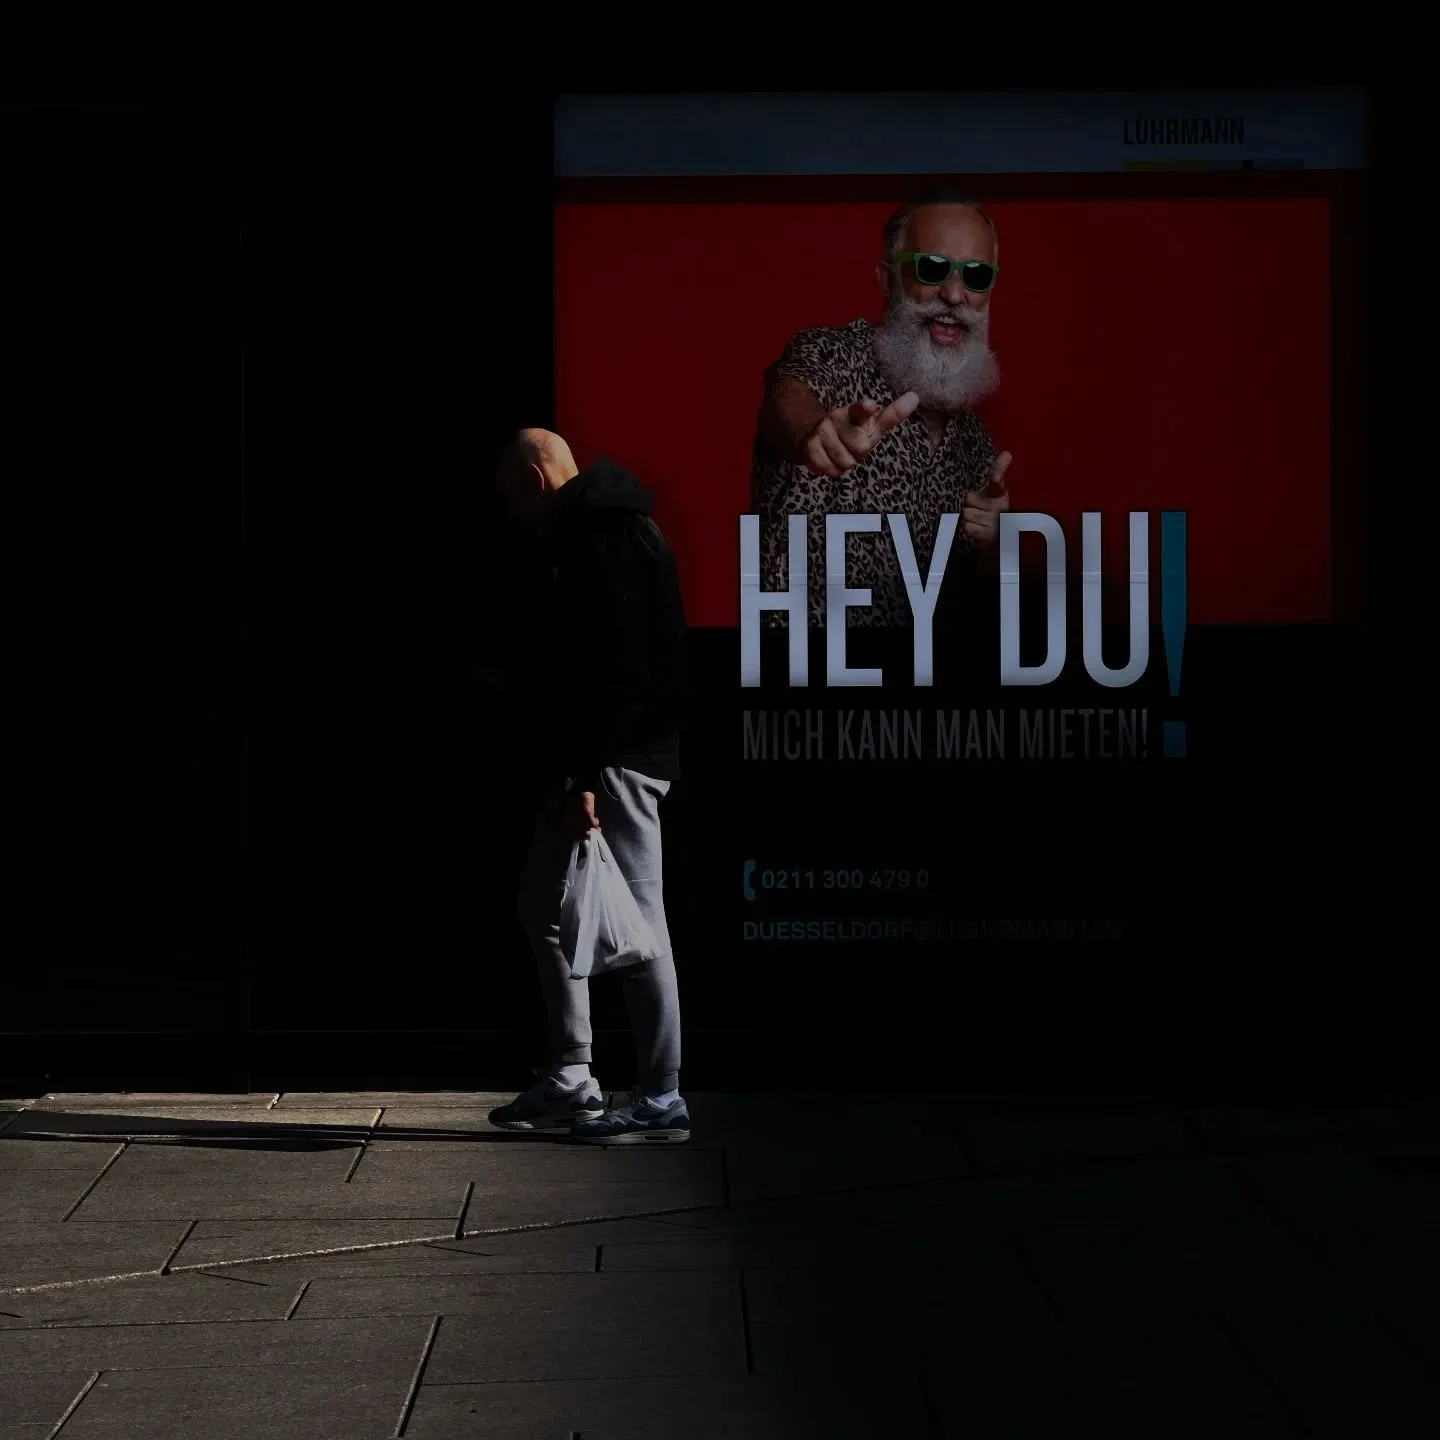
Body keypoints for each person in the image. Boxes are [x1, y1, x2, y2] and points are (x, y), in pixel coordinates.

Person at [486, 428, 691, 1144]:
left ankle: (662, 1094)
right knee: (541, 903)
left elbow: (614, 672)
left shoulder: (600, 541)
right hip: (601, 758)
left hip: (614, 764)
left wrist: (585, 778)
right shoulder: (604, 532)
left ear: (536, 485)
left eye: (513, 499)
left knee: (640, 925)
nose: (513, 516)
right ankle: (574, 1075)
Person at [751, 189, 1015, 629]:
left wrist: (994, 547)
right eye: (932, 268)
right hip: (808, 683)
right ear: (888, 279)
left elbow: (974, 611)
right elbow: (790, 398)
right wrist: (811, 433)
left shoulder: (974, 443)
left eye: (975, 276)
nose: (954, 294)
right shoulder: (831, 357)